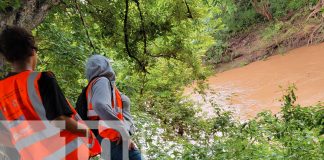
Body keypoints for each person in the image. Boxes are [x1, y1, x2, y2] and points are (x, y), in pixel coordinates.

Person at [0, 26, 100, 160]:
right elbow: (58, 120)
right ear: (32, 51)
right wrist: (87, 132)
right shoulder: (41, 79)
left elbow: (4, 139)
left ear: (8, 58)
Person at [84, 55, 142, 160]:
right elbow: (100, 105)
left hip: (108, 138)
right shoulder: (102, 81)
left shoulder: (98, 85)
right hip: (112, 136)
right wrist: (123, 132)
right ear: (103, 66)